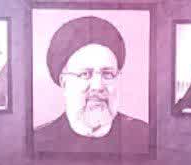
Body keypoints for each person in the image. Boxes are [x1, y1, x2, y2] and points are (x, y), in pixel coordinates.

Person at [33, 15, 150, 154]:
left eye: (107, 74)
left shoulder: (145, 136)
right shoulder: (37, 142)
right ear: (64, 83)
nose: (98, 86)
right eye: (85, 74)